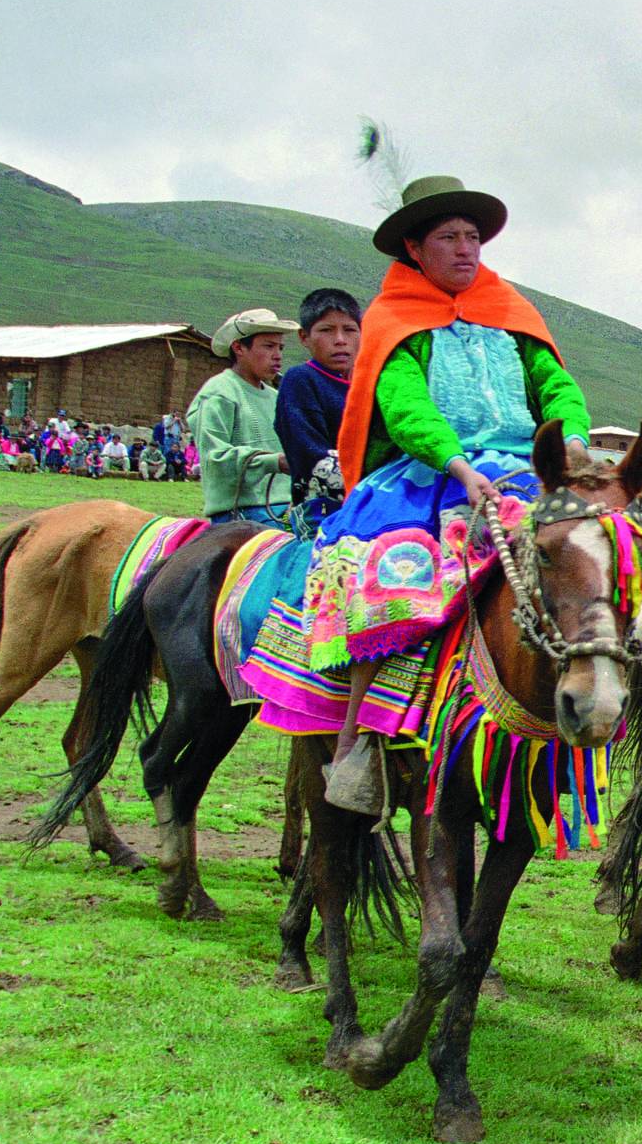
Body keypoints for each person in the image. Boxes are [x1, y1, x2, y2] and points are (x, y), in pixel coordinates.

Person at [267, 175, 593, 815]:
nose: (466, 249)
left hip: (523, 465)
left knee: (591, 557)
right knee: (384, 572)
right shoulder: (393, 320)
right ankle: (359, 738)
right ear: (414, 247)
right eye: (449, 237)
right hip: (430, 472)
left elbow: (556, 384)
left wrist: (573, 439)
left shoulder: (510, 311)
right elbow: (406, 404)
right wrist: (457, 464)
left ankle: (580, 708)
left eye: (473, 237)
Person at [185, 309, 297, 523]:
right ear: (238, 348)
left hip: (284, 510)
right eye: (269, 346)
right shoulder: (219, 393)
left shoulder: (276, 398)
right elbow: (214, 459)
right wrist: (274, 462)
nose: (278, 355)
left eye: (280, 347)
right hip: (240, 514)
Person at [275, 286, 362, 519]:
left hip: (370, 505)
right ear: (305, 337)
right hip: (322, 512)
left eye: (350, 330)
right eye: (326, 330)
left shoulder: (369, 386)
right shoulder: (300, 380)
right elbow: (311, 457)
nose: (340, 340)